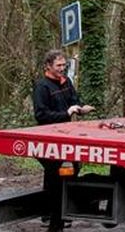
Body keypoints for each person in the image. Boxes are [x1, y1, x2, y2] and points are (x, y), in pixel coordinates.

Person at [32, 49, 94, 232]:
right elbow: (41, 115)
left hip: (67, 136)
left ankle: (61, 212)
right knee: (55, 176)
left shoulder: (66, 83)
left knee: (72, 169)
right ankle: (53, 217)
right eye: (58, 65)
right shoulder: (42, 87)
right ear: (48, 66)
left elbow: (75, 100)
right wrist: (65, 114)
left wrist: (81, 109)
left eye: (63, 65)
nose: (62, 68)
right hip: (48, 139)